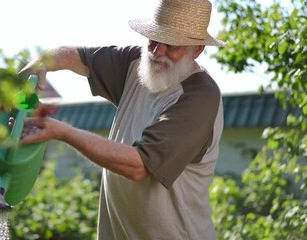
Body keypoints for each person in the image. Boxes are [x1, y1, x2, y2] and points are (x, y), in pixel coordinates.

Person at [16, 0, 226, 239]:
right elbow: (78, 56)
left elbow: (139, 166)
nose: (157, 52)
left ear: (197, 49)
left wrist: (61, 132)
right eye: (154, 39)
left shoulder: (200, 97)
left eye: (171, 45)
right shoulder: (137, 64)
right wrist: (42, 63)